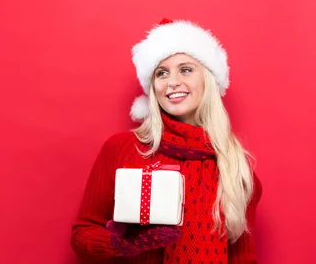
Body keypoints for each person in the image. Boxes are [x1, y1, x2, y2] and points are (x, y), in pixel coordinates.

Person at [70, 19, 262, 264]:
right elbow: (82, 234)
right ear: (153, 86)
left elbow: (242, 256)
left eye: (185, 69)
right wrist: (123, 244)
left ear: (208, 79)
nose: (172, 82)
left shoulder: (235, 164)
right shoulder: (124, 149)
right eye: (162, 73)